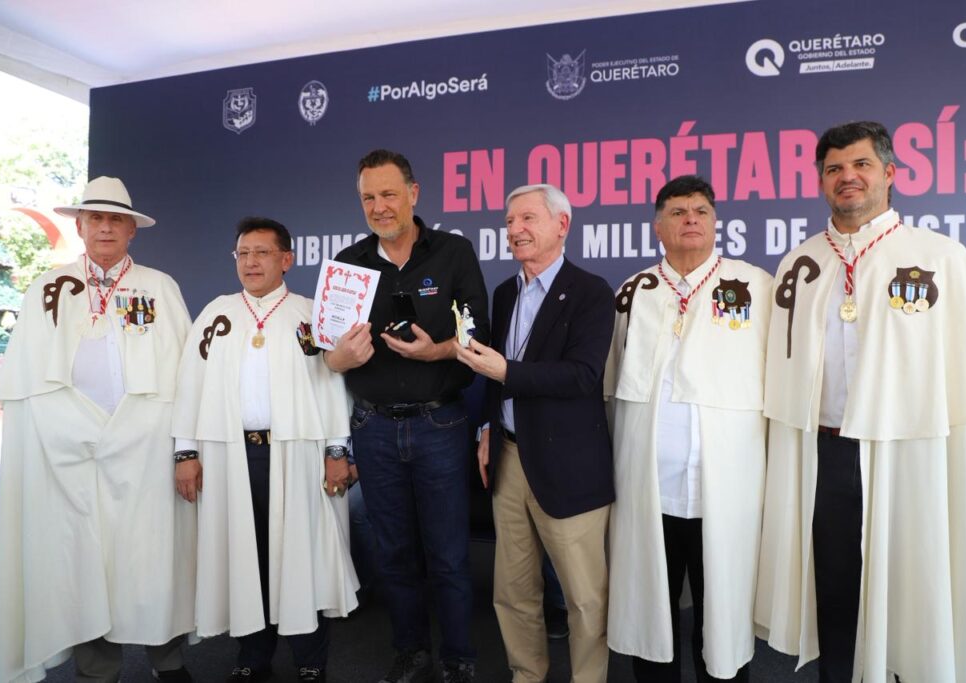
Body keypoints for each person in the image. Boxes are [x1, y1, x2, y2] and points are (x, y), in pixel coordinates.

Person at [754, 121, 966, 682]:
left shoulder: (940, 257)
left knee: (913, 590)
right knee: (833, 591)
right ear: (821, 181)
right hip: (826, 454)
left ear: (889, 173)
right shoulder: (800, 264)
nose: (848, 177)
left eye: (861, 165)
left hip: (911, 454)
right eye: (834, 169)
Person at [0, 176, 195, 683]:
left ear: (132, 230)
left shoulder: (160, 287)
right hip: (70, 455)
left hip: (146, 450)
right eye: (96, 219)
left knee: (152, 557)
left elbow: (188, 377)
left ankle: (167, 662)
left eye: (116, 220)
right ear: (80, 226)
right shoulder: (46, 289)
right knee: (83, 561)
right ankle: (96, 669)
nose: (105, 228)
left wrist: (185, 450)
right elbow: (25, 384)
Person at [324, 149, 490, 683]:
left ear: (414, 194)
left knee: (448, 554)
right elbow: (326, 352)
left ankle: (459, 658)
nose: (379, 206)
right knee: (393, 553)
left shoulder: (453, 252)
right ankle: (410, 652)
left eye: (389, 194)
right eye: (368, 197)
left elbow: (477, 334)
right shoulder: (348, 263)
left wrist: (436, 351)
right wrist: (338, 358)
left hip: (440, 424)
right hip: (372, 427)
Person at [172, 217, 359, 683]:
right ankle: (253, 656)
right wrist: (185, 453)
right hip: (232, 457)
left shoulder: (310, 314)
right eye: (243, 253)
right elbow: (189, 385)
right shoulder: (216, 314)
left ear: (286, 259)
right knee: (247, 558)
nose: (250, 262)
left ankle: (310, 659)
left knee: (301, 556)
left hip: (298, 455)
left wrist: (337, 449)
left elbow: (334, 387)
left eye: (262, 252)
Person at [604, 176, 770, 682]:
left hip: (725, 489)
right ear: (658, 227)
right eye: (677, 212)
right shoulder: (633, 292)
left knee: (720, 621)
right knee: (651, 616)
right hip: (650, 489)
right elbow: (609, 387)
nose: (690, 219)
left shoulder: (755, 286)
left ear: (716, 223)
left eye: (700, 211)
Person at [456, 183, 615, 683]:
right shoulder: (505, 292)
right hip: (508, 459)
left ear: (562, 225)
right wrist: (487, 426)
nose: (515, 230)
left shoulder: (591, 292)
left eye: (527, 219)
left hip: (569, 468)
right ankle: (527, 675)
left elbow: (582, 376)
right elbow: (491, 376)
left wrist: (506, 372)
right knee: (513, 591)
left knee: (585, 598)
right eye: (509, 222)